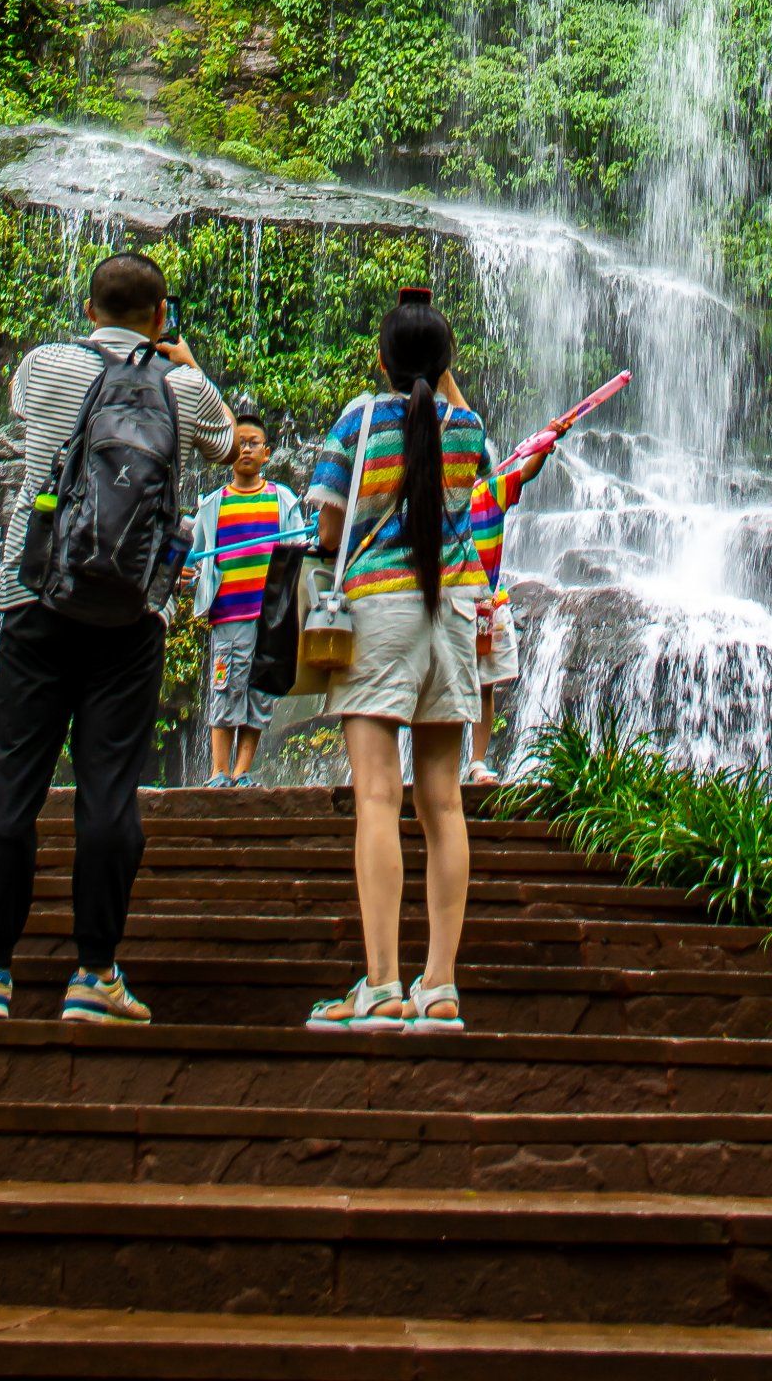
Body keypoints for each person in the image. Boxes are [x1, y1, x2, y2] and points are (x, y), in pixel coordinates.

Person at [0, 254, 233, 1027]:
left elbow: (21, 417)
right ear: (161, 313)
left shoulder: (45, 366)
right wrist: (183, 361)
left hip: (34, 594)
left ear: (87, 306)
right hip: (133, 610)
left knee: (11, 781)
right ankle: (94, 974)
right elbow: (219, 441)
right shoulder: (182, 387)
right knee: (110, 790)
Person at [305, 286, 494, 1034]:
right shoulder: (467, 425)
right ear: (449, 364)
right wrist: (439, 362)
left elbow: (326, 523)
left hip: (376, 613)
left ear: (380, 361)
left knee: (378, 797)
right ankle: (440, 984)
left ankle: (381, 984)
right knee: (443, 802)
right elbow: (453, 414)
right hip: (449, 613)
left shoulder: (360, 416)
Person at [185, 405, 308, 786]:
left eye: (254, 443)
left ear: (267, 452)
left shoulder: (283, 500)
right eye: (239, 443)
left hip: (270, 617)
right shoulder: (212, 504)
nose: (246, 450)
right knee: (225, 688)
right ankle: (218, 772)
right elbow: (196, 556)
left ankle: (242, 772)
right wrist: (188, 572)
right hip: (229, 615)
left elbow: (299, 551)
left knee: (259, 693)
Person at [467, 458, 517, 788]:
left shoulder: (492, 490)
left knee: (485, 686)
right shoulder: (439, 496)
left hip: (486, 607)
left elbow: (525, 472)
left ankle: (477, 761)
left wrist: (546, 446)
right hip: (448, 603)